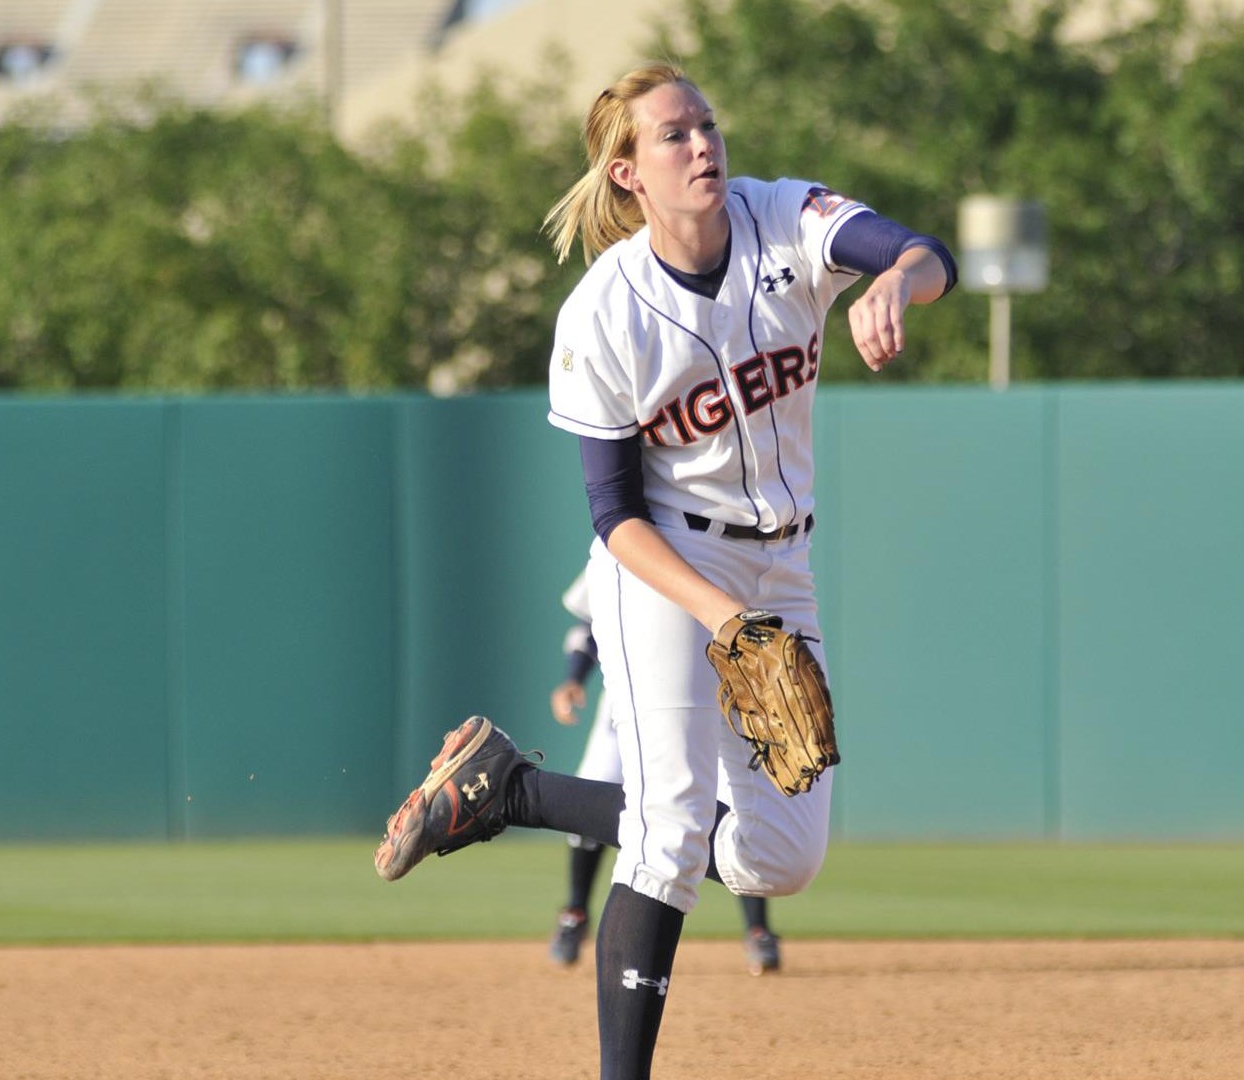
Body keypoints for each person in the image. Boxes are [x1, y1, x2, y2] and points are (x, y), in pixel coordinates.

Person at [374, 61, 954, 1080]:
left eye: (706, 125)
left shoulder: (783, 220)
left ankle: (512, 790)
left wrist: (900, 278)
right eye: (673, 135)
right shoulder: (603, 313)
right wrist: (720, 617)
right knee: (669, 834)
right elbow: (612, 517)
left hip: (783, 565)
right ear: (627, 171)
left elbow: (922, 249)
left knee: (781, 857)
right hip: (665, 567)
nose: (701, 146)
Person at [547, 566, 782, 976]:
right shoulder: (627, 538)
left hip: (721, 691)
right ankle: (575, 913)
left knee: (737, 804)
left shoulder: (730, 544)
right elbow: (588, 623)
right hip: (635, 692)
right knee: (597, 785)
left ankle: (759, 930)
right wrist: (573, 679)